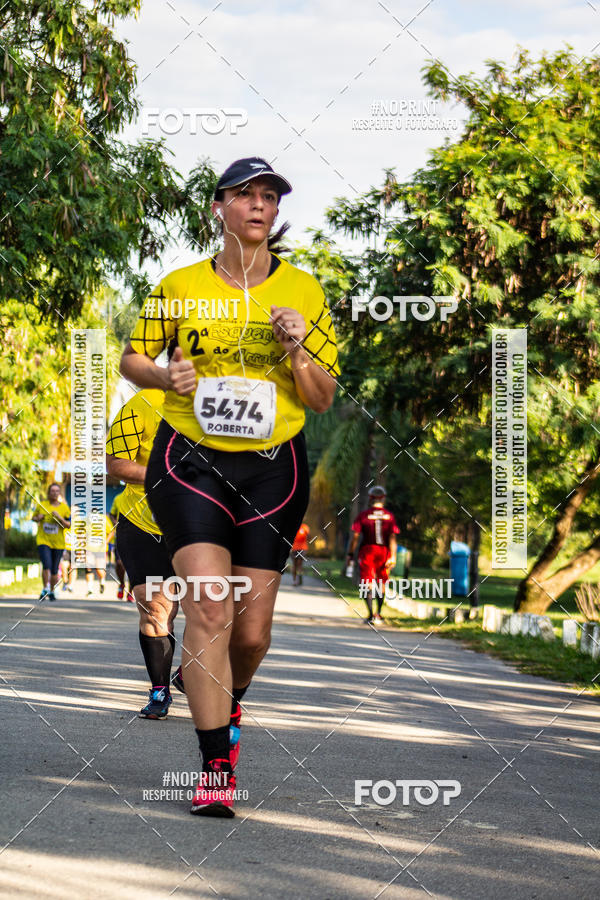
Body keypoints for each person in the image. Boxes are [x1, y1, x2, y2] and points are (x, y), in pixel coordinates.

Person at [120, 156, 339, 817]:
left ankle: (224, 693)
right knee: (209, 609)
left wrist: (299, 349)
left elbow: (323, 398)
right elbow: (134, 358)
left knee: (249, 635)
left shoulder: (304, 291)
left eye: (269, 196)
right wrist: (166, 379)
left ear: (275, 213)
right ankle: (217, 766)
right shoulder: (179, 285)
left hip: (274, 467)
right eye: (245, 194)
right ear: (218, 207)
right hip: (190, 461)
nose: (258, 205)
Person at [106, 388, 180, 718]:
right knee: (155, 606)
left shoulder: (227, 407)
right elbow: (114, 463)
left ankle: (191, 672)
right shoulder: (144, 403)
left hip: (203, 527)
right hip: (142, 523)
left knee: (208, 608)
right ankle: (160, 689)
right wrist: (162, 475)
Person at [347, 486, 399, 625]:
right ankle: (379, 613)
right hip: (384, 552)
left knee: (367, 583)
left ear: (370, 498)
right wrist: (393, 556)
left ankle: (370, 615)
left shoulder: (363, 515)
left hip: (367, 551)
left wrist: (350, 553)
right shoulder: (389, 516)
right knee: (381, 582)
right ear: (383, 498)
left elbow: (355, 537)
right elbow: (392, 537)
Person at [32, 483, 71, 602]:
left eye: (57, 491)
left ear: (59, 493)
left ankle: (52, 591)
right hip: (43, 540)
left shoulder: (64, 508)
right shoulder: (42, 505)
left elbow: (69, 525)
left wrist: (59, 517)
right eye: (52, 491)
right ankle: (44, 589)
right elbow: (33, 518)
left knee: (54, 569)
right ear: (48, 493)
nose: (54, 493)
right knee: (46, 564)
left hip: (58, 543)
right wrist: (38, 518)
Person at [109, 490, 130, 600]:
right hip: (121, 534)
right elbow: (111, 514)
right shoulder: (118, 498)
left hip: (139, 535)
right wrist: (115, 522)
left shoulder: (144, 494)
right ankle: (122, 584)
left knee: (135, 565)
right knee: (119, 563)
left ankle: (131, 591)